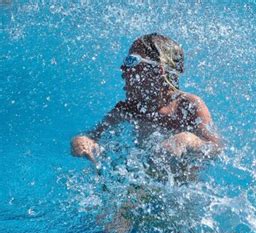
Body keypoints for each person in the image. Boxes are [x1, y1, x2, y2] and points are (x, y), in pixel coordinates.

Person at [71, 33, 222, 172]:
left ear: (158, 70)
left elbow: (216, 148)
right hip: (141, 180)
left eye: (131, 61)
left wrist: (187, 139)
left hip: (181, 189)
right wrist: (82, 142)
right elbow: (93, 135)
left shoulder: (188, 105)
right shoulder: (129, 109)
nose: (123, 68)